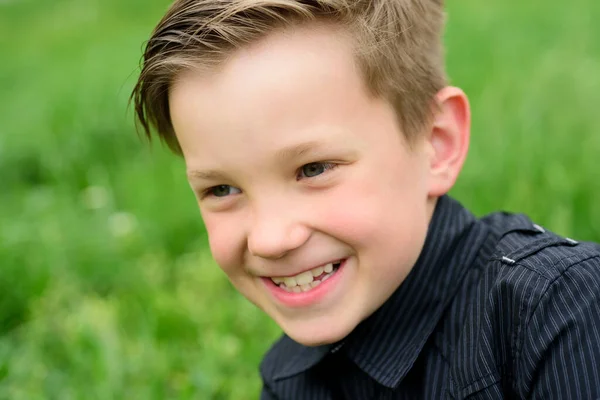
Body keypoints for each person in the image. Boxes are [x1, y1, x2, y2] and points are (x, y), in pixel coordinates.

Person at [131, 0, 600, 398]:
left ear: (436, 143)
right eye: (223, 189)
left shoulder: (561, 313)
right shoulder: (288, 379)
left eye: (313, 169)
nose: (271, 239)